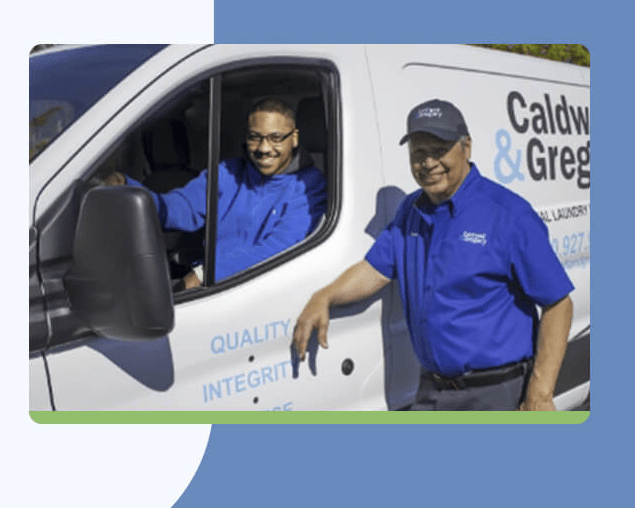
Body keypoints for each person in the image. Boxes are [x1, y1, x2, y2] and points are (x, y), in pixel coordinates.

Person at [293, 99, 573, 411]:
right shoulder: (411, 210)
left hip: (496, 394)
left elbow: (558, 304)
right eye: (418, 153)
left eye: (439, 150)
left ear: (466, 147)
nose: (428, 163)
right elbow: (375, 270)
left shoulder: (508, 214)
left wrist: (540, 393)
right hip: (430, 391)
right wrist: (326, 295)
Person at [106, 98, 327, 286]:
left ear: (295, 138)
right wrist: (129, 188)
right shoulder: (228, 172)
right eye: (254, 137)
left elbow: (279, 249)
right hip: (213, 289)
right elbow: (182, 207)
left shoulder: (310, 186)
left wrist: (204, 274)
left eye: (276, 138)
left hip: (260, 288)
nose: (263, 148)